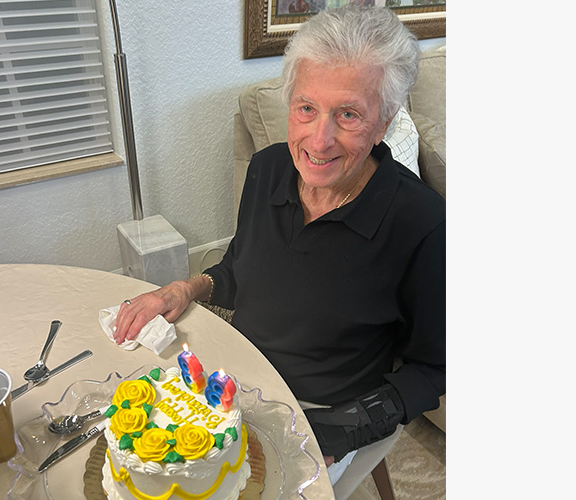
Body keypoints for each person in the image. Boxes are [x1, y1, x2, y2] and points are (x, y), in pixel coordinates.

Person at [114, 4, 445, 484]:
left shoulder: (422, 222)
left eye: (348, 114)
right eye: (306, 108)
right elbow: (241, 270)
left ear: (385, 121)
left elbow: (434, 368)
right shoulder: (268, 168)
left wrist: (343, 429)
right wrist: (184, 288)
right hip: (233, 379)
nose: (319, 140)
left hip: (323, 411)